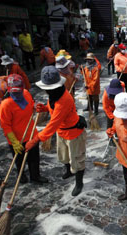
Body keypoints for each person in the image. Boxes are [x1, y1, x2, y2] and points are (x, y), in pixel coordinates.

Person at [28, 66, 87, 196]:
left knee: (76, 160)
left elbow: (53, 123)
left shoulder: (64, 99)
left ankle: (79, 183)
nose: (47, 91)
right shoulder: (54, 95)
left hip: (73, 134)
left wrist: (36, 139)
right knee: (64, 156)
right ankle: (68, 171)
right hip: (61, 132)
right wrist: (44, 108)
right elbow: (52, 109)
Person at [0, 74, 48, 184]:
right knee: (19, 160)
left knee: (34, 159)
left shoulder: (26, 93)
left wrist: (36, 107)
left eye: (18, 91)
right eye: (14, 92)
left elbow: (31, 105)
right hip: (16, 138)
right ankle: (21, 175)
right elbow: (5, 125)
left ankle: (35, 176)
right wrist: (14, 141)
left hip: (31, 133)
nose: (17, 94)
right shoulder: (6, 104)